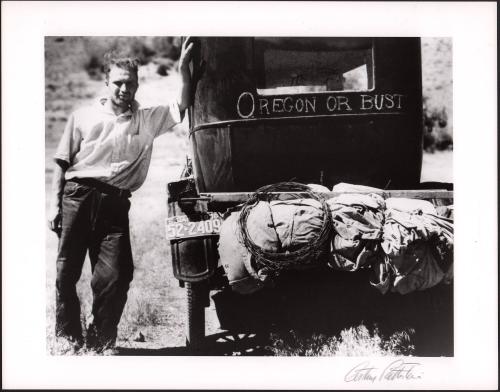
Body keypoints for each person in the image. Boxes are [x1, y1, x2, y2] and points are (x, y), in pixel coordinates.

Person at [47, 38, 194, 352]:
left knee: (116, 277)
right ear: (106, 82)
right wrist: (53, 206)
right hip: (78, 197)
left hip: (115, 206)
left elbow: (181, 104)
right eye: (118, 83)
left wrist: (183, 71)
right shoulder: (82, 116)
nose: (125, 90)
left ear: (138, 84)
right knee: (66, 273)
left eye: (131, 83)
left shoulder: (146, 119)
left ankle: (99, 341)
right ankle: (67, 338)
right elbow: (61, 162)